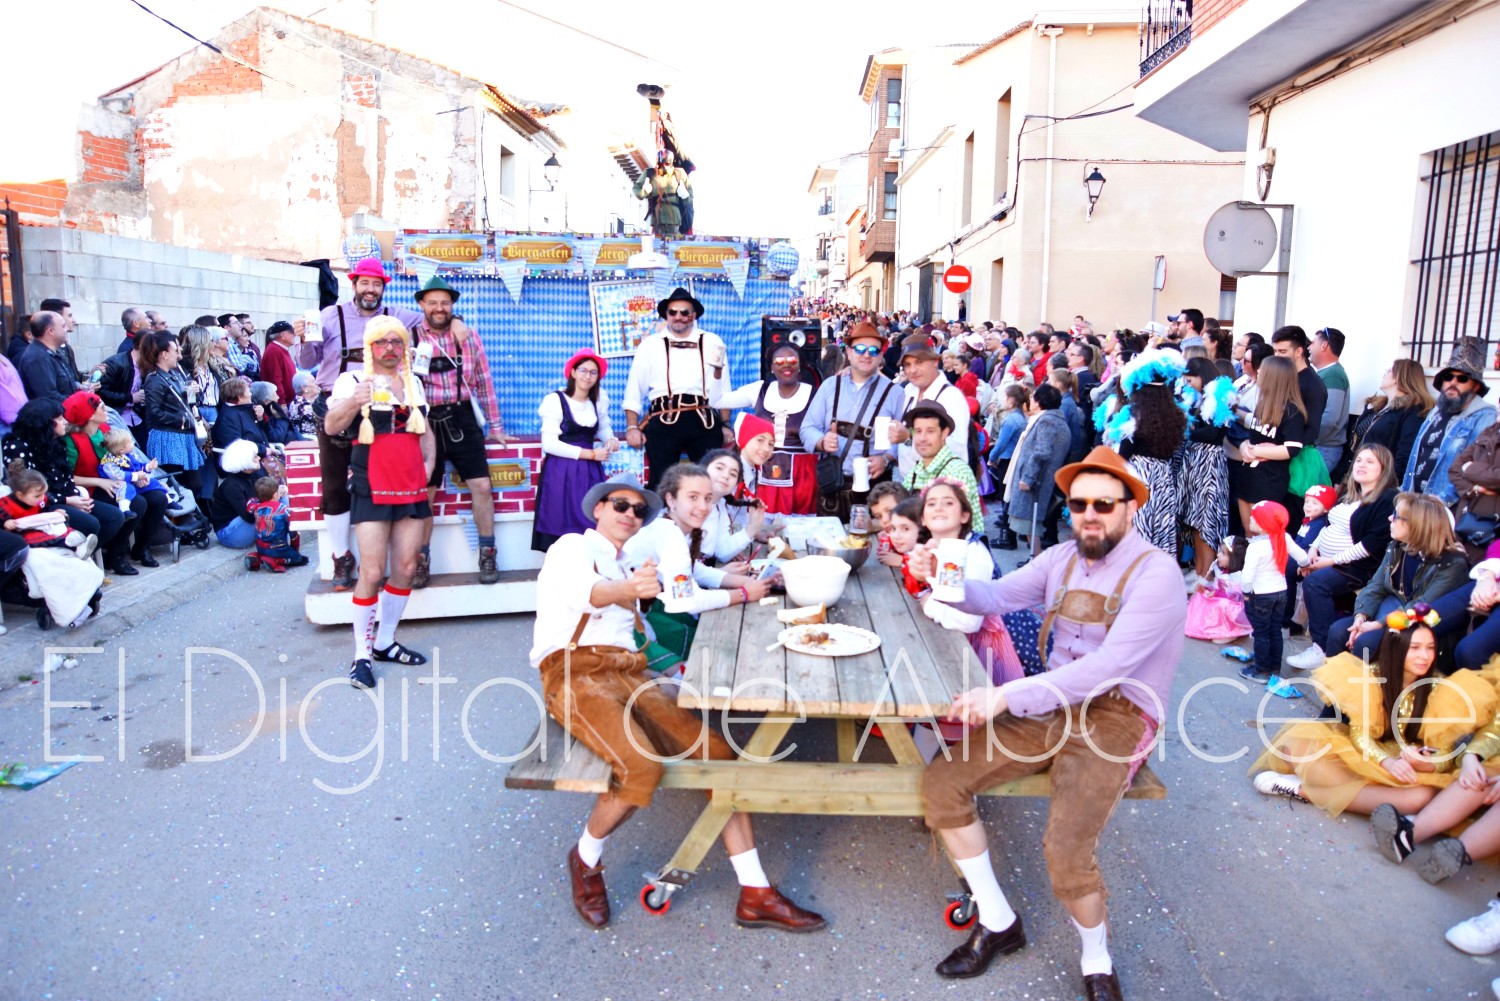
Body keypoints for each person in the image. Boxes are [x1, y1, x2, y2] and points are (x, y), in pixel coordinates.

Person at [910, 446, 1186, 997]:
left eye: (1103, 504)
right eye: (1079, 502)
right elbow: (996, 595)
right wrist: (940, 576)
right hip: (1051, 702)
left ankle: (1097, 961)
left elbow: (1109, 668)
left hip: (1118, 712)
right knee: (943, 782)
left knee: (1065, 849)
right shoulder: (1061, 556)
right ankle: (997, 921)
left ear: (1131, 508)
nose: (1089, 513)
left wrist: (1006, 696)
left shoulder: (1157, 575)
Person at [530, 472, 823, 933]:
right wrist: (632, 590)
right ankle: (585, 859)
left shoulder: (631, 561)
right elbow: (585, 595)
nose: (630, 515)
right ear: (599, 509)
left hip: (628, 669)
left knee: (720, 757)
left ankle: (756, 892)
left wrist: (663, 664)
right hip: (574, 672)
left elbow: (670, 597)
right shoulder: (573, 546)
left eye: (638, 510)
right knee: (640, 767)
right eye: (620, 505)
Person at [1252, 609, 1479, 818]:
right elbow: (1360, 735)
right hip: (1369, 758)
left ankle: (1304, 790)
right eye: (1415, 648)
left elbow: (1447, 751)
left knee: (1422, 796)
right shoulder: (1372, 677)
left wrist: (1427, 763)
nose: (1424, 656)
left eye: (1430, 648)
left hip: (1408, 772)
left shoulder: (1439, 686)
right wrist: (1386, 762)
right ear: (1397, 648)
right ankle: (1350, 795)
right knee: (1295, 746)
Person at [295, 257, 426, 592]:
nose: (371, 289)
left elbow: (434, 320)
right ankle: (342, 556)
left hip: (382, 406)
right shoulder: (329, 316)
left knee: (383, 478)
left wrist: (450, 327)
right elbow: (307, 363)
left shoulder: (398, 316)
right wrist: (303, 340)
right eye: (365, 283)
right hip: (338, 405)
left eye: (377, 283)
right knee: (335, 483)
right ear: (353, 285)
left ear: (384, 287)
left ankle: (402, 557)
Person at [322, 315, 434, 689]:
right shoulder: (351, 380)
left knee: (406, 564)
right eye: (382, 342)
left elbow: (425, 431)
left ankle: (385, 641)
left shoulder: (414, 381)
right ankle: (361, 654)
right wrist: (356, 401)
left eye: (397, 341)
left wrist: (429, 466)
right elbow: (331, 425)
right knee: (371, 572)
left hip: (411, 483)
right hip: (372, 481)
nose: (390, 347)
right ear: (370, 347)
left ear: (405, 347)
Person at [621, 463, 772, 674]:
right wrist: (745, 593)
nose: (703, 506)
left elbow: (695, 571)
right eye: (693, 497)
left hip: (640, 616)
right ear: (671, 500)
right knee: (693, 677)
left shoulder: (673, 527)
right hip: (622, 629)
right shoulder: (667, 532)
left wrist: (747, 582)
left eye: (707, 499)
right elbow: (689, 600)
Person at [409, 276, 509, 585]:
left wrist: (496, 427)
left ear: (453, 305)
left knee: (481, 487)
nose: (439, 309)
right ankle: (421, 559)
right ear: (422, 304)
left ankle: (487, 552)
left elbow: (484, 381)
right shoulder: (408, 336)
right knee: (425, 493)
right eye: (433, 302)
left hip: (462, 417)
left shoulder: (468, 336)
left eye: (445, 303)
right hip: (424, 422)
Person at [1286, 445, 1399, 670]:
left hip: (1357, 567)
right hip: (1325, 557)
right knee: (1290, 565)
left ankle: (1322, 648)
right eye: (1359, 460)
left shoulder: (1387, 499)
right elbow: (1328, 525)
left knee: (1316, 583)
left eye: (1370, 462)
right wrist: (1313, 550)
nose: (1361, 465)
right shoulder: (1350, 494)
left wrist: (1329, 561)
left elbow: (1369, 545)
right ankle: (1287, 622)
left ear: (1384, 468)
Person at [1324, 492, 1468, 663]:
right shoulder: (1398, 546)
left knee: (1366, 642)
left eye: (1396, 516)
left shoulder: (1452, 564)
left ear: (1417, 525)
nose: (1389, 519)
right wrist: (1360, 617)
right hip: (1390, 613)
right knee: (1337, 631)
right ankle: (1336, 689)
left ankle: (1371, 689)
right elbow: (1375, 586)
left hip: (1421, 626)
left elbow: (1421, 606)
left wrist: (1377, 625)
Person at [2, 398, 132, 576]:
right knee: (91, 523)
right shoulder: (16, 446)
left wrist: (76, 496)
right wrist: (68, 500)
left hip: (66, 495)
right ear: (45, 422)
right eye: (59, 418)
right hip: (40, 504)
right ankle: (72, 567)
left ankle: (80, 561)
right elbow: (24, 489)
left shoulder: (54, 440)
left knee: (114, 516)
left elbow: (65, 475)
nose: (65, 421)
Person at [622, 287, 731, 490]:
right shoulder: (650, 345)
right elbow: (634, 389)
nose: (678, 317)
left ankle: (711, 521)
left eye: (684, 312)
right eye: (673, 312)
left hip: (703, 419)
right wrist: (632, 427)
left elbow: (723, 387)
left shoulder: (713, 342)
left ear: (694, 315)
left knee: (711, 480)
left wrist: (725, 424)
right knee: (661, 481)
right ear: (666, 315)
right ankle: (659, 521)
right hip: (664, 418)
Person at [798, 321, 905, 520]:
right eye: (860, 349)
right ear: (848, 352)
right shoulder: (830, 386)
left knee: (874, 548)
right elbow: (807, 428)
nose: (866, 355)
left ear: (881, 356)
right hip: (833, 487)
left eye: (873, 350)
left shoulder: (895, 393)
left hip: (876, 491)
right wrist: (822, 441)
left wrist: (887, 458)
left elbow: (904, 438)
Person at [1100, 349, 1186, 557]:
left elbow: (1122, 454)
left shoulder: (1133, 414)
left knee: (1137, 525)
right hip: (1163, 477)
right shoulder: (1177, 414)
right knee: (1160, 528)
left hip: (1138, 475)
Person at [717, 343, 818, 515]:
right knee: (761, 526)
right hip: (763, 477)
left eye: (792, 360)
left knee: (799, 531)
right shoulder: (759, 389)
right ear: (771, 367)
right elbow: (718, 401)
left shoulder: (817, 394)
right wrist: (715, 370)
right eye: (779, 360)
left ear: (800, 365)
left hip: (803, 478)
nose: (786, 364)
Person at [532, 349, 616, 554]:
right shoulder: (555, 401)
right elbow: (549, 444)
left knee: (589, 515)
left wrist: (610, 438)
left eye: (593, 372)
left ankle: (591, 567)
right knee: (561, 516)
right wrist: (591, 454)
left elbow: (603, 425)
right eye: (583, 370)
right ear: (573, 372)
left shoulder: (598, 400)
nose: (588, 376)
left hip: (589, 471)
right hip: (561, 470)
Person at [1403, 337, 1497, 506]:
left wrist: (1441, 502)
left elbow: (1474, 467)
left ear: (1475, 386)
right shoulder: (1438, 409)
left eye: (1462, 379)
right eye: (1449, 376)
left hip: (1444, 511)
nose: (1453, 382)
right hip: (1414, 505)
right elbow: (1415, 456)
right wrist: (1403, 498)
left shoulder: (1484, 415)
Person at [1230, 501, 1307, 683]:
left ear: (1264, 524)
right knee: (1275, 631)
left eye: (1254, 518)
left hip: (1260, 595)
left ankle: (1261, 670)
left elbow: (1248, 576)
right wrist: (1304, 567)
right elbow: (1303, 558)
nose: (1250, 519)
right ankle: (1274, 667)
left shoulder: (1256, 547)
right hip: (1281, 592)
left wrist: (1246, 592)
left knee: (1261, 633)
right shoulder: (1284, 538)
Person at [1231, 355, 1306, 538]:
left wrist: (1257, 451)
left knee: (1262, 534)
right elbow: (1253, 439)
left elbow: (1291, 449)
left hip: (1269, 481)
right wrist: (1244, 448)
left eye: (1263, 370)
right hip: (1248, 475)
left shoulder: (1291, 411)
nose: (1258, 372)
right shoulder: (1262, 404)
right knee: (1248, 531)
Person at [1181, 357, 1233, 584]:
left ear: (1202, 375)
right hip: (1194, 463)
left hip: (1209, 465)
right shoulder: (1198, 398)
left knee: (1207, 523)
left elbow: (1212, 434)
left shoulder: (1220, 395)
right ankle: (1201, 574)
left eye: (1190, 379)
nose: (1187, 383)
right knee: (1194, 523)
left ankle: (1207, 577)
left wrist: (1188, 427)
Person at [137, 330, 205, 496]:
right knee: (180, 483)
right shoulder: (154, 378)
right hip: (168, 437)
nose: (179, 356)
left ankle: (193, 515)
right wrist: (182, 420)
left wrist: (194, 393)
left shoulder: (175, 374)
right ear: (164, 354)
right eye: (176, 351)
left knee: (194, 483)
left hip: (184, 435)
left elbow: (188, 403)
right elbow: (154, 412)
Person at [1004, 384, 1070, 553]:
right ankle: (1035, 559)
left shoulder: (1048, 421)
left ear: (1039, 401)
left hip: (1036, 482)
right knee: (1030, 526)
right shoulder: (1053, 419)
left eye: (1033, 397)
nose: (1030, 400)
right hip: (1039, 480)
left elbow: (1041, 452)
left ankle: (1036, 561)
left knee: (1031, 526)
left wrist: (1028, 478)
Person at [1348, 359, 1432, 481]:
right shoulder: (1379, 406)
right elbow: (1358, 440)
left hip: (1380, 481)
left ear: (1399, 377)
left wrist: (1388, 485)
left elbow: (1405, 453)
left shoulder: (1413, 411)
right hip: (1360, 475)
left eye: (1389, 371)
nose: (1384, 374)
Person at [902, 402, 983, 520]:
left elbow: (972, 528)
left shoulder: (957, 472)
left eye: (930, 431)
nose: (922, 438)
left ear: (944, 433)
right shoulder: (915, 472)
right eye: (918, 431)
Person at [0, 461, 97, 557]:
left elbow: (44, 510)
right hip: (22, 533)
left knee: (61, 526)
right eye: (37, 495)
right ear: (20, 495)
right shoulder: (6, 504)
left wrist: (54, 514)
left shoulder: (39, 500)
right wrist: (5, 523)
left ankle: (77, 540)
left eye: (43, 493)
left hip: (40, 526)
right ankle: (72, 546)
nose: (42, 498)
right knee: (38, 537)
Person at [985, 384, 1029, 550]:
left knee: (1006, 498)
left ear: (1011, 400)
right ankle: (1010, 534)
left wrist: (992, 457)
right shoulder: (1020, 417)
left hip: (1007, 460)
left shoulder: (1011, 419)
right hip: (1013, 459)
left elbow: (1002, 443)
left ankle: (1007, 537)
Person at [1309, 327, 1350, 473]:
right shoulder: (1327, 373)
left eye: (1312, 343)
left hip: (1323, 448)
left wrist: (1305, 437)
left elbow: (1329, 418)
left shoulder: (1333, 374)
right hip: (1319, 447)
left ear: (1324, 345)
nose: (1309, 347)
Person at [208, 438, 262, 549]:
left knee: (282, 499)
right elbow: (249, 517)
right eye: (255, 457)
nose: (259, 458)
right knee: (274, 509)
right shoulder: (232, 486)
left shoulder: (254, 475)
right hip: (229, 533)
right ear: (245, 460)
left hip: (243, 523)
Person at [248, 476, 307, 572]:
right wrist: (294, 549)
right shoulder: (284, 510)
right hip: (278, 549)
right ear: (275, 495)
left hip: (260, 547)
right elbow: (294, 533)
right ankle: (276, 561)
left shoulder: (256, 507)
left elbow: (250, 503)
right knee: (301, 559)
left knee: (264, 552)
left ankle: (257, 557)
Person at [17, 311, 78, 402]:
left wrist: (81, 389)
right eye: (63, 326)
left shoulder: (54, 352)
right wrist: (78, 403)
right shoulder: (37, 357)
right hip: (53, 415)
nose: (67, 329)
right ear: (51, 331)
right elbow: (49, 397)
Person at [633, 148, 693, 239]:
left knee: (673, 246)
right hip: (656, 219)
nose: (664, 166)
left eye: (667, 164)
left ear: (671, 163)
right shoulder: (650, 173)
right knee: (657, 246)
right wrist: (644, 191)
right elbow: (636, 189)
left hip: (674, 219)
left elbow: (690, 200)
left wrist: (685, 196)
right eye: (661, 164)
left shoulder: (679, 174)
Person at [259, 320, 298, 407]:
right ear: (283, 335)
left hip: (289, 401)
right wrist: (282, 403)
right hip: (281, 403)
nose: (294, 335)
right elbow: (275, 379)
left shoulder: (280, 349)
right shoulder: (274, 350)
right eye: (291, 332)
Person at [288, 373, 322, 440]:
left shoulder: (315, 398)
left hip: (321, 435)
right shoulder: (300, 404)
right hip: (309, 439)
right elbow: (322, 420)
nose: (318, 383)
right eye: (313, 381)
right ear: (304, 388)